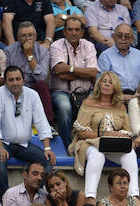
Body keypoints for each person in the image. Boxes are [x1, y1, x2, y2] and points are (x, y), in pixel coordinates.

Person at [69, 72, 139, 204]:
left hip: (112, 145)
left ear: (115, 87)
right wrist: (104, 135)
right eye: (104, 81)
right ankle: (90, 197)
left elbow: (128, 131)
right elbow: (81, 132)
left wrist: (121, 135)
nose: (107, 84)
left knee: (130, 153)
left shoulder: (120, 106)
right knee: (97, 154)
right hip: (90, 143)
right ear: (99, 84)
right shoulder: (89, 102)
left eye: (110, 82)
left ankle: (133, 197)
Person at [0, 66, 55, 198]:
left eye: (18, 79)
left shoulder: (32, 95)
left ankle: (33, 196)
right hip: (1, 143)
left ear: (23, 80)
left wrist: (47, 147)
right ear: (5, 82)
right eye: (11, 80)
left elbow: (41, 121)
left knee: (47, 162)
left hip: (23, 144)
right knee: (0, 166)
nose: (15, 82)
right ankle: (5, 201)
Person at [49, 16, 97, 147]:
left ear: (82, 32)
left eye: (77, 30)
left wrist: (69, 69)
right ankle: (67, 145)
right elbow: (60, 72)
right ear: (64, 32)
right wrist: (84, 73)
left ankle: (88, 144)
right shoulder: (56, 46)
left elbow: (93, 73)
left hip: (85, 92)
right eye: (70, 29)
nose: (73, 33)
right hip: (62, 91)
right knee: (64, 107)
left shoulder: (89, 46)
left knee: (98, 104)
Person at [5, 21, 54, 120]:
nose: (27, 38)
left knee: (42, 85)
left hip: (35, 87)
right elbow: (7, 76)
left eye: (30, 35)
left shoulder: (43, 51)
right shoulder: (9, 51)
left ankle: (48, 125)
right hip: (16, 87)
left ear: (35, 36)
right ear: (18, 38)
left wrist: (29, 56)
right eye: (23, 36)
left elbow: (42, 78)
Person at [97, 25, 140, 98]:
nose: (123, 39)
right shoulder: (105, 55)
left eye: (127, 36)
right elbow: (102, 83)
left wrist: (137, 94)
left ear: (132, 39)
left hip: (136, 96)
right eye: (119, 36)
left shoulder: (138, 54)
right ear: (113, 36)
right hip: (113, 97)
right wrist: (120, 97)